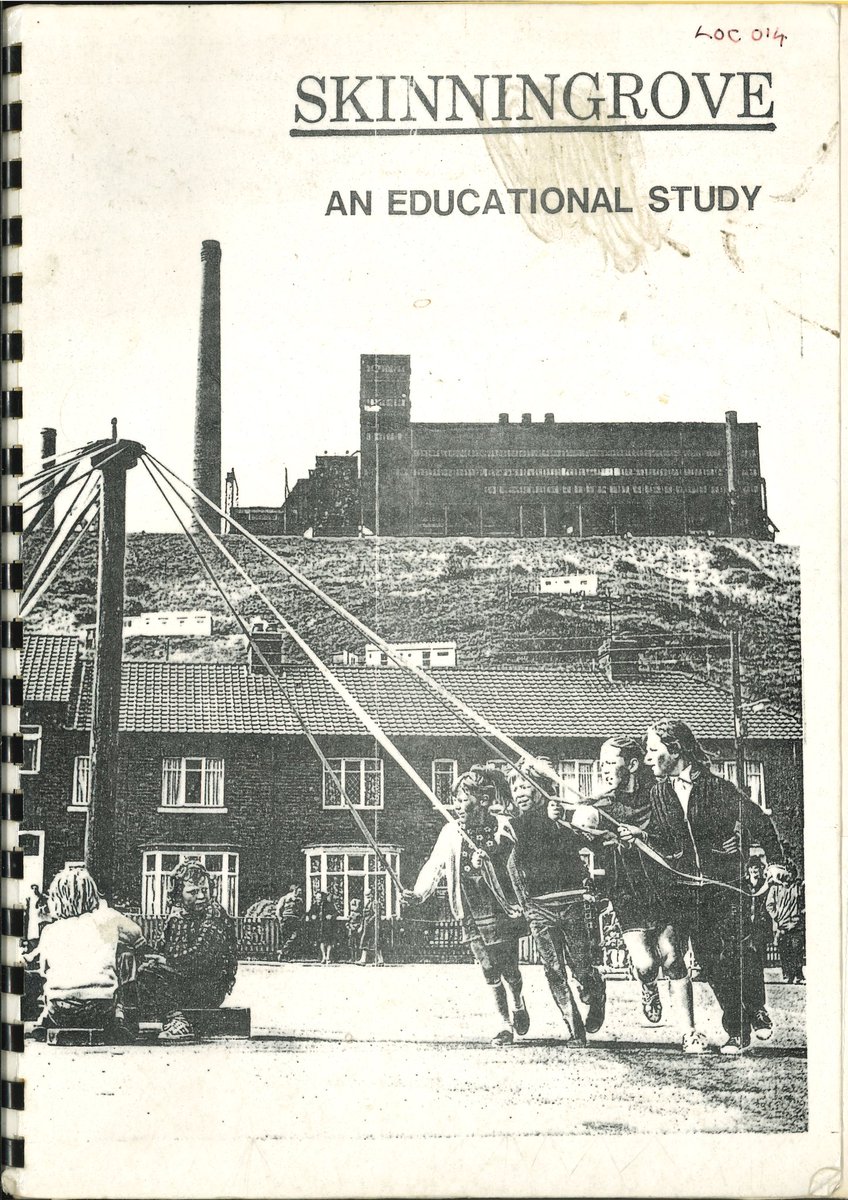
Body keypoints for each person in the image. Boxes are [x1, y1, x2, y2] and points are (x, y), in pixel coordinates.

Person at [628, 717, 783, 1054]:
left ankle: (754, 1008)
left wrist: (776, 862)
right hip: (690, 894)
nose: (649, 757)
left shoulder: (717, 788)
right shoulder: (658, 793)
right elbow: (660, 836)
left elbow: (759, 821)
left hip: (726, 886)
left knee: (738, 950)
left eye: (655, 750)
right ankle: (738, 1028)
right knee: (712, 963)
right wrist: (640, 835)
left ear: (676, 750)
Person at [403, 766, 529, 1044]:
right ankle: (504, 1024)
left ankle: (518, 1001)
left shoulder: (502, 825)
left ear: (483, 800)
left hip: (500, 906)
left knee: (509, 967)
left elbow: (515, 860)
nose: (457, 805)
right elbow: (434, 866)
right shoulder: (451, 831)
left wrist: (492, 856)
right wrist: (418, 893)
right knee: (488, 967)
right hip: (470, 908)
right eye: (456, 800)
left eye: (463, 799)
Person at [506, 756, 605, 1045]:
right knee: (553, 969)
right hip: (539, 906)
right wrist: (525, 905)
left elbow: (588, 840)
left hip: (571, 901)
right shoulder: (514, 825)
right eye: (515, 787)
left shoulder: (563, 814)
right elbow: (513, 865)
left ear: (542, 788)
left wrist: (560, 820)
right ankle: (575, 1029)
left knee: (582, 967)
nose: (520, 792)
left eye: (527, 786)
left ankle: (595, 991)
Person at [590, 736, 672, 1030]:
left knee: (672, 958)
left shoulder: (659, 796)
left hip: (663, 888)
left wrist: (642, 834)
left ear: (633, 765)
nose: (604, 769)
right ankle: (648, 986)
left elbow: (675, 835)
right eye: (601, 764)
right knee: (647, 964)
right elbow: (578, 828)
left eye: (611, 763)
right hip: (626, 892)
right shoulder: (601, 804)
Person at [29, 866, 147, 1041]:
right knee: (125, 954)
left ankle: (44, 1018)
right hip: (101, 1008)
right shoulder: (108, 919)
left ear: (57, 899)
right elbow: (138, 936)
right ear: (93, 894)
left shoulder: (50, 930)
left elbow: (43, 969)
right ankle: (119, 1016)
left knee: (52, 973)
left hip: (60, 1010)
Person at [138, 861, 238, 1041]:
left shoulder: (215, 915)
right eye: (193, 892)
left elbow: (203, 957)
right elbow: (162, 948)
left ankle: (178, 1022)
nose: (201, 896)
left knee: (149, 973)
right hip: (182, 979)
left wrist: (166, 962)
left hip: (208, 986)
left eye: (204, 890)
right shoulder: (176, 917)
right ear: (179, 894)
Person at [745, 859, 773, 1039]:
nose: (754, 871)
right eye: (752, 868)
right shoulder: (743, 883)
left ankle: (758, 1009)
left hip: (759, 929)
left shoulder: (765, 884)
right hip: (744, 927)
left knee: (756, 965)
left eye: (757, 868)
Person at [767, 862, 805, 984]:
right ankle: (788, 974)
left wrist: (800, 915)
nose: (789, 875)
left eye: (791, 873)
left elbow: (805, 903)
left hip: (796, 925)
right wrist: (777, 917)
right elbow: (769, 905)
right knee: (784, 951)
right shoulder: (775, 888)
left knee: (797, 950)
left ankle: (798, 975)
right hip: (782, 925)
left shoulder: (799, 888)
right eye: (787, 873)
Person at [308, 890, 339, 964]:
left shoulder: (329, 904)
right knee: (321, 941)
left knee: (329, 941)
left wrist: (331, 916)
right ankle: (324, 957)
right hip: (319, 925)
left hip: (328, 925)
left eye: (320, 897)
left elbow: (336, 912)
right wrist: (312, 916)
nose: (319, 899)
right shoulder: (314, 905)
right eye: (317, 898)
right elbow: (309, 913)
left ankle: (328, 957)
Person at [275, 883, 304, 959]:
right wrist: (280, 918)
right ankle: (287, 956)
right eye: (298, 892)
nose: (299, 894)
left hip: (295, 919)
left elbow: (302, 911)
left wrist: (300, 918)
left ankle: (283, 951)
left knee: (294, 937)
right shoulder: (284, 898)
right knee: (286, 937)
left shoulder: (300, 900)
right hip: (286, 919)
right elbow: (278, 909)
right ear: (294, 891)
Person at [358, 889, 385, 966]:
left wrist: (369, 921)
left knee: (376, 942)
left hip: (373, 926)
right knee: (365, 941)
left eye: (369, 896)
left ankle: (380, 960)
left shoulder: (375, 903)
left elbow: (376, 914)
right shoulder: (368, 903)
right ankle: (363, 959)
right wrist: (362, 925)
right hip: (367, 926)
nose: (368, 897)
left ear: (372, 895)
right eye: (367, 896)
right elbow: (364, 916)